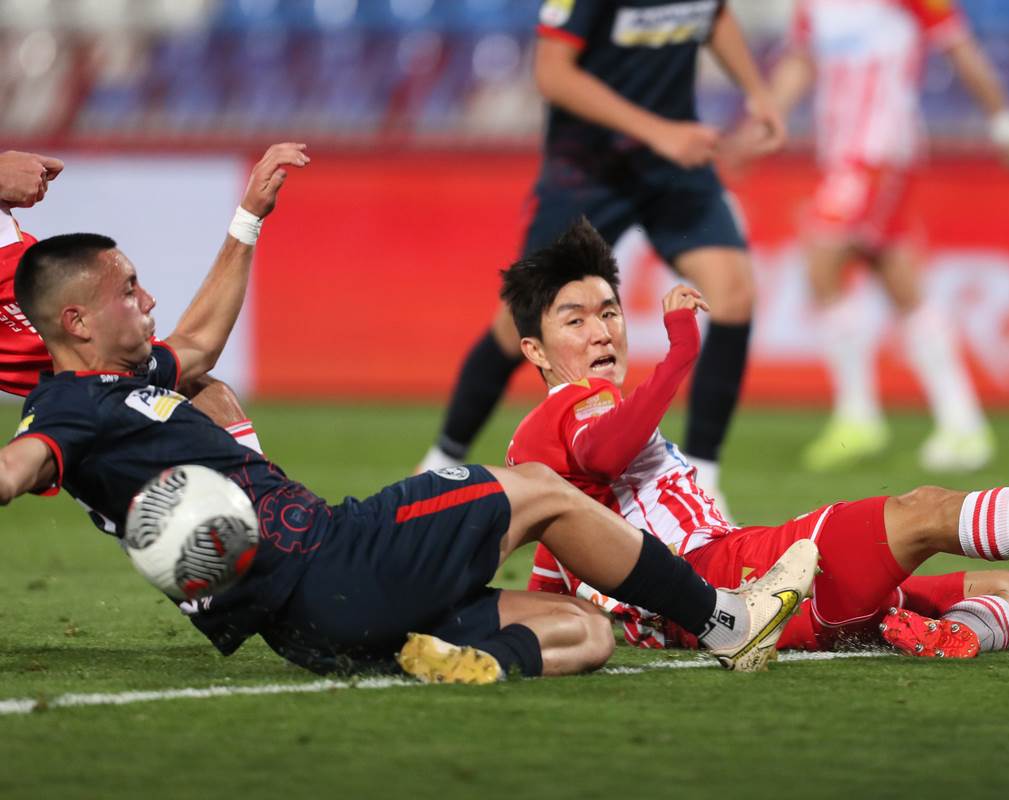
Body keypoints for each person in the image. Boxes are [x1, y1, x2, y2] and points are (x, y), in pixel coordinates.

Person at [0, 145, 818, 684]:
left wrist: (249, 216)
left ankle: (449, 660)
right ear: (76, 322)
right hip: (335, 560)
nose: (147, 299)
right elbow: (18, 465)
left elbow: (203, 342)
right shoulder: (70, 407)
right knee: (536, 484)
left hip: (319, 629)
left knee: (584, 632)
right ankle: (726, 620)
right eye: (129, 289)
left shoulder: (129, 383)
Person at [502, 220, 1009, 658]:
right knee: (921, 512)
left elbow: (552, 572)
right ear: (534, 350)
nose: (602, 331)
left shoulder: (545, 448)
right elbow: (605, 452)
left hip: (741, 588)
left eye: (610, 312)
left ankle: (959, 638)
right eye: (576, 320)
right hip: (727, 579)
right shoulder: (575, 409)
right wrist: (681, 349)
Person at [417, 0, 788, 515]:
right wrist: (657, 131)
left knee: (734, 294)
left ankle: (702, 475)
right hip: (589, 170)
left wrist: (758, 92)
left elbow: (713, 15)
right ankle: (441, 462)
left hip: (674, 164)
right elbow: (552, 73)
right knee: (515, 325)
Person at [738, 0, 1009, 472]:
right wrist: (759, 127)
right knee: (895, 276)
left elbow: (959, 47)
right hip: (841, 153)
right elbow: (800, 61)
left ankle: (859, 417)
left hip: (880, 149)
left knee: (822, 257)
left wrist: (1005, 122)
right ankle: (962, 423)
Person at [0, 150, 262, 451]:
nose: (149, 301)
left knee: (179, 381)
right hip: (13, 279)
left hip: (15, 265)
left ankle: (263, 491)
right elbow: (198, 347)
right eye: (128, 292)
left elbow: (195, 351)